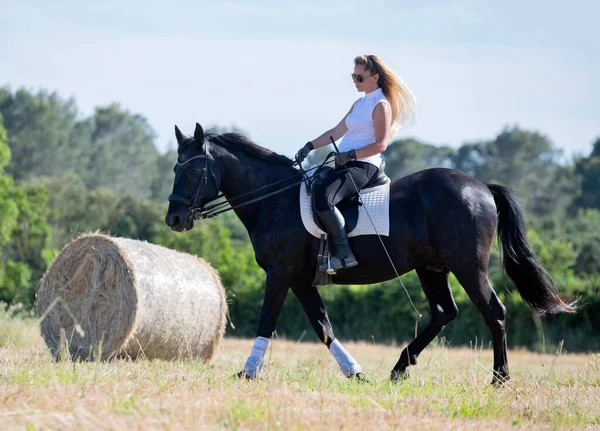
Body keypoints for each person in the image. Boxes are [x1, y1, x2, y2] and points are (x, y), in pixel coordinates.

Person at [295, 54, 416, 274]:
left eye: (359, 77)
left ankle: (343, 254)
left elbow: (381, 144)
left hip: (364, 166)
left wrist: (351, 154)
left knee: (324, 197)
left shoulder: (381, 106)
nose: (354, 81)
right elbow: (336, 132)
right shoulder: (359, 104)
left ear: (375, 77)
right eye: (353, 76)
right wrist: (309, 146)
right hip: (346, 163)